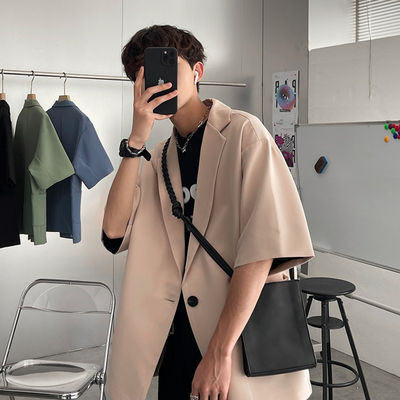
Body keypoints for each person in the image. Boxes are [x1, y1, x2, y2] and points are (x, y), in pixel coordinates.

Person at [102, 25, 314, 400]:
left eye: (166, 68)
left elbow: (262, 249)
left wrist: (219, 352)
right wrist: (136, 141)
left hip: (234, 338)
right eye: (143, 76)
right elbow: (113, 235)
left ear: (197, 71)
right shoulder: (158, 158)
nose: (156, 83)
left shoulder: (244, 135)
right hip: (176, 335)